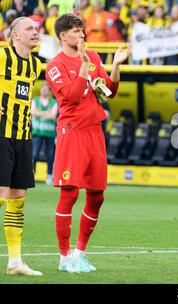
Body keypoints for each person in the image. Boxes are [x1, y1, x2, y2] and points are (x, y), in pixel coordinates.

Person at [45, 14, 130, 273]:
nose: (82, 35)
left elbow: (109, 92)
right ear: (63, 36)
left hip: (95, 131)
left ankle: (80, 254)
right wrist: (82, 66)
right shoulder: (54, 66)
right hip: (72, 132)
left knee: (97, 196)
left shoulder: (93, 57)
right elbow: (70, 97)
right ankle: (64, 256)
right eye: (76, 31)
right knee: (69, 193)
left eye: (82, 31)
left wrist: (115, 66)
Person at [0, 16, 43, 276]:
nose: (35, 32)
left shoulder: (36, 65)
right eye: (29, 29)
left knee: (17, 199)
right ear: (16, 35)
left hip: (24, 136)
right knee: (2, 195)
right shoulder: (3, 56)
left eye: (36, 29)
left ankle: (15, 261)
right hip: (1, 134)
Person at [31, 82, 58, 186]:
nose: (44, 91)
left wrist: (40, 113)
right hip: (37, 132)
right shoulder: (35, 100)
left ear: (50, 91)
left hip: (50, 133)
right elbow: (33, 112)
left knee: (50, 155)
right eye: (43, 89)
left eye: (46, 89)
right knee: (34, 154)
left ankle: (49, 176)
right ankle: (32, 175)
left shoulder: (54, 102)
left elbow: (53, 116)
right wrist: (47, 113)